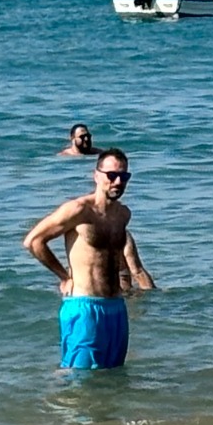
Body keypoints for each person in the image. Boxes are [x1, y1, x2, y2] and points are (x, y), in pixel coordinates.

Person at [22, 149, 155, 370]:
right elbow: (33, 241)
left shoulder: (123, 214)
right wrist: (64, 277)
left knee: (115, 376)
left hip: (116, 307)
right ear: (96, 176)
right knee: (77, 377)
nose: (118, 181)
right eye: (111, 175)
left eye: (124, 176)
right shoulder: (79, 210)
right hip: (84, 306)